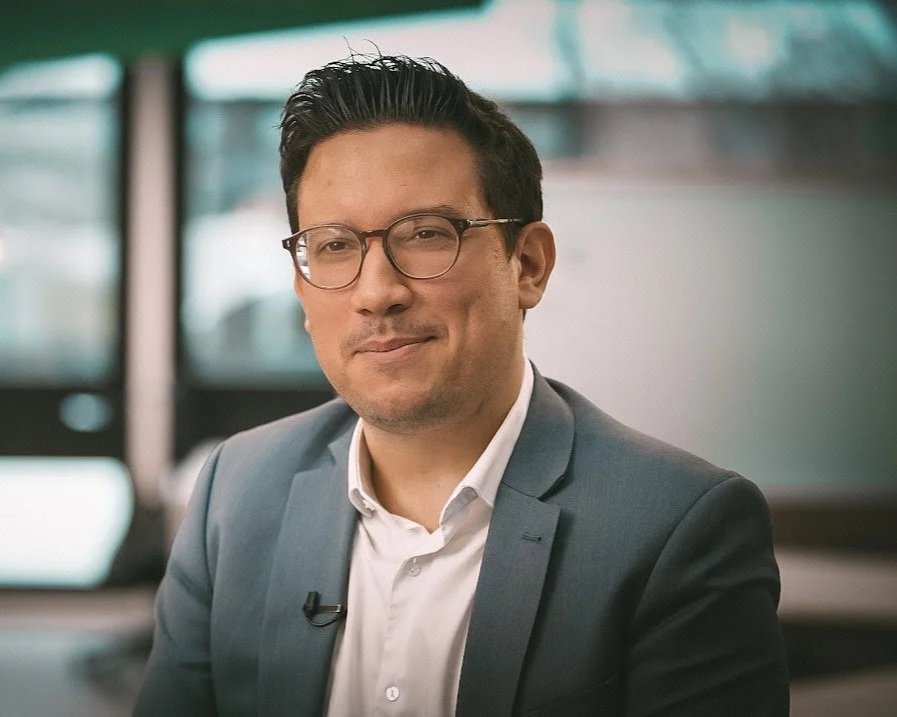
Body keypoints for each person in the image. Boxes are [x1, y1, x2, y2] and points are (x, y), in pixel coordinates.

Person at [135, 54, 789, 716]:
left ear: (528, 264)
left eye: (425, 234)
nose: (376, 292)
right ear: (302, 289)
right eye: (334, 245)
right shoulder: (235, 493)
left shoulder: (676, 526)